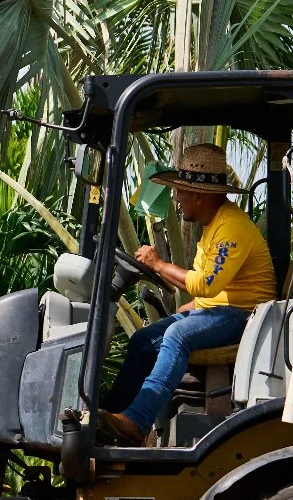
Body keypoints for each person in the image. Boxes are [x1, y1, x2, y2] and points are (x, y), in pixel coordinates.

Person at [98, 143, 276, 445]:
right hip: (219, 310)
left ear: (200, 195)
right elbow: (211, 291)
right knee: (143, 341)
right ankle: (109, 421)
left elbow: (206, 284)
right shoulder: (214, 224)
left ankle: (137, 422)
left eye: (181, 192)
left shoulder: (232, 227)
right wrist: (190, 307)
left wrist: (158, 264)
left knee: (178, 335)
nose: (177, 200)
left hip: (245, 316)